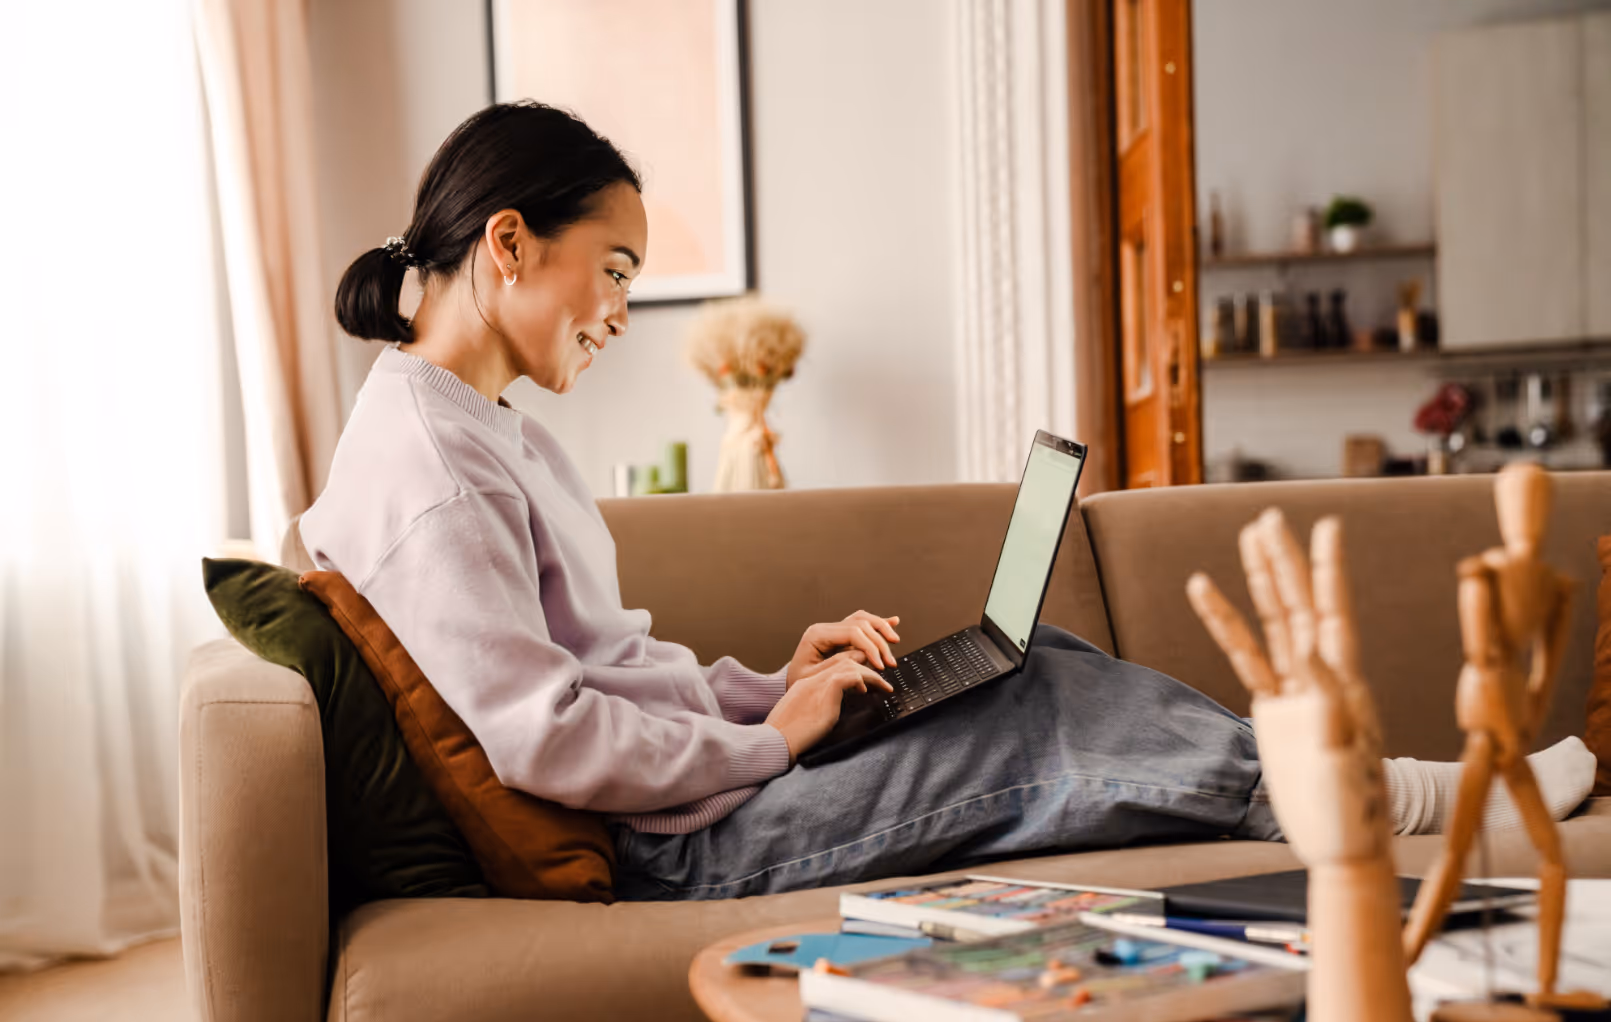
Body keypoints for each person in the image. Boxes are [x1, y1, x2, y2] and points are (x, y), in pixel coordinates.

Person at [301, 102, 1595, 902]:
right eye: (615, 270)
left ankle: (1365, 788)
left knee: (1044, 660)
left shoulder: (480, 428)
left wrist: (770, 684)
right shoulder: (425, 458)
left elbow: (604, 671)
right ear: (511, 242)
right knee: (1036, 716)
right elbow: (546, 735)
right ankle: (1382, 797)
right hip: (673, 848)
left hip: (699, 792)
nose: (622, 313)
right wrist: (773, 740)